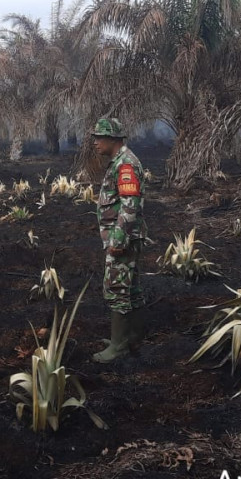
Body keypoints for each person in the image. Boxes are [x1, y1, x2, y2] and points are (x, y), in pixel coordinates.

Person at [90, 116, 148, 363]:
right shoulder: (120, 162)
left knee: (116, 289)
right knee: (130, 288)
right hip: (126, 237)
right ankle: (129, 337)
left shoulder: (125, 165)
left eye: (99, 137)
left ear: (113, 139)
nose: (95, 143)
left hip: (123, 238)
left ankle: (119, 346)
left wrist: (117, 239)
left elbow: (129, 205)